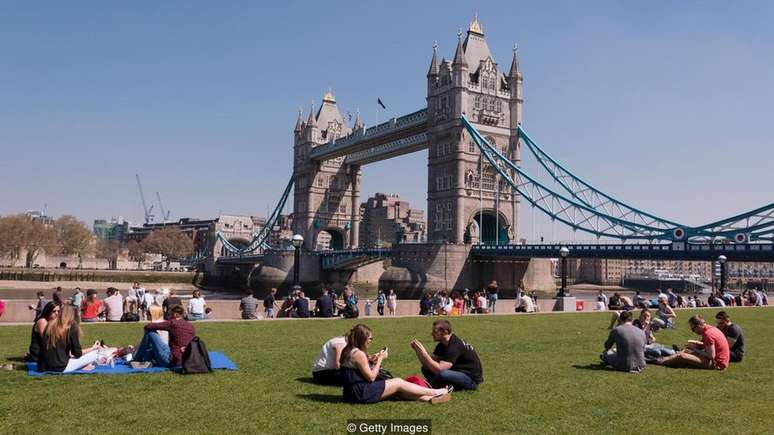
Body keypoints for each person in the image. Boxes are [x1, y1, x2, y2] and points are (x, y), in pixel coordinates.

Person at [340, 324, 452, 404]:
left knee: (398, 390)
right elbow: (371, 377)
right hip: (360, 392)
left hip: (350, 393)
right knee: (398, 382)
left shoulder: (349, 350)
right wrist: (380, 359)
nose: (370, 341)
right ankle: (437, 392)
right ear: (362, 338)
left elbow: (358, 370)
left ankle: (429, 399)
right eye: (370, 338)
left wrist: (372, 360)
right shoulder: (358, 354)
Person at [412, 319, 483, 391]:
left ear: (445, 332)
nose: (432, 334)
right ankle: (439, 385)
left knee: (443, 374)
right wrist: (418, 352)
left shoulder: (455, 345)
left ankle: (439, 386)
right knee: (425, 368)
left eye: (435, 332)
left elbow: (439, 369)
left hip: (471, 380)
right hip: (458, 373)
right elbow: (428, 364)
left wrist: (424, 353)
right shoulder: (442, 344)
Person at [38, 305, 102, 373]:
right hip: (60, 367)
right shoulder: (71, 326)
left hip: (43, 367)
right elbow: (77, 353)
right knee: (97, 353)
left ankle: (85, 365)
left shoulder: (50, 324)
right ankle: (85, 365)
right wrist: (93, 348)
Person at [655, 315, 730, 370]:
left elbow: (711, 356)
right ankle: (662, 359)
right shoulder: (711, 329)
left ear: (699, 326)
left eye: (693, 329)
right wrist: (695, 346)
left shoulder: (708, 334)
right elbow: (707, 345)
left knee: (682, 356)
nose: (693, 331)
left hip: (717, 364)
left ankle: (660, 361)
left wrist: (694, 349)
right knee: (686, 351)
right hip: (719, 361)